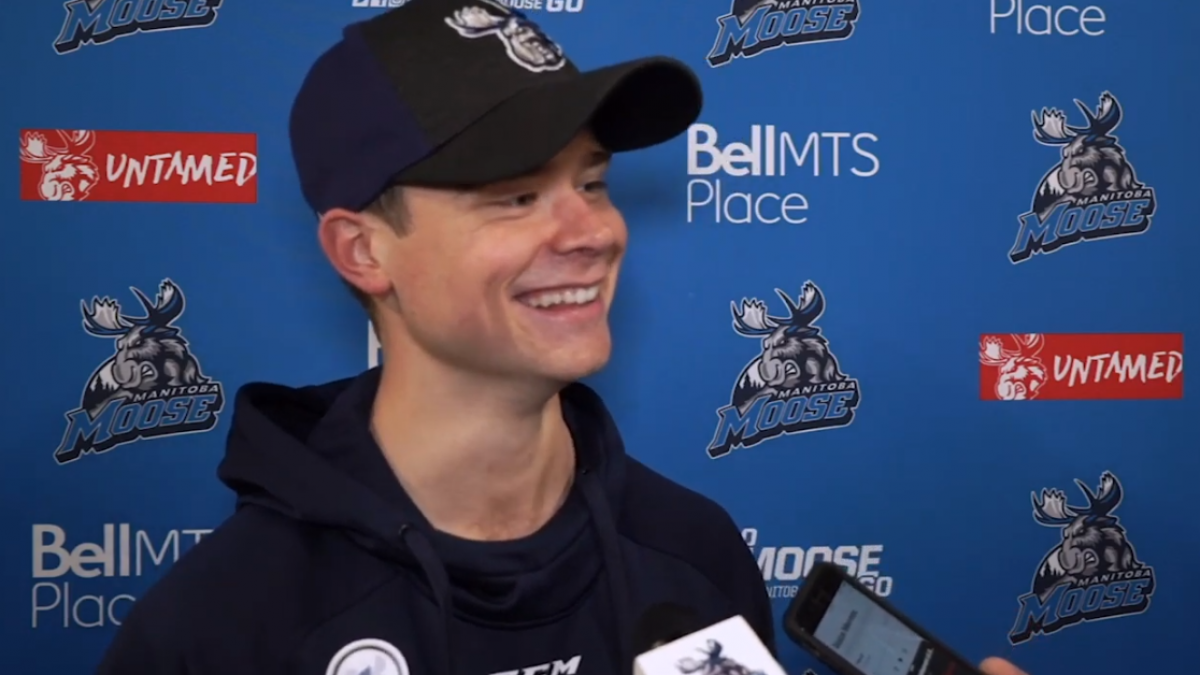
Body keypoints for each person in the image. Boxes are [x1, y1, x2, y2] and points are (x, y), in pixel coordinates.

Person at [95, 2, 1035, 675]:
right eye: (514, 194)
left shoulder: (692, 554)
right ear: (363, 250)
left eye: (591, 181)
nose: (591, 230)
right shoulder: (220, 629)